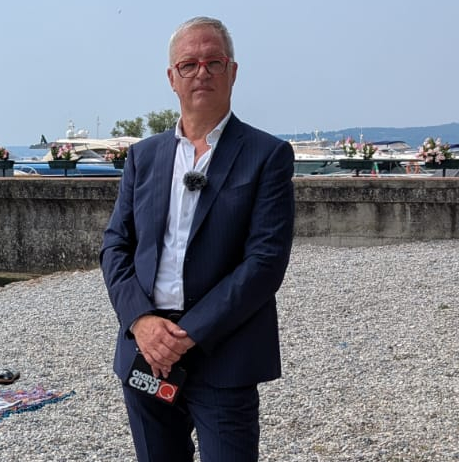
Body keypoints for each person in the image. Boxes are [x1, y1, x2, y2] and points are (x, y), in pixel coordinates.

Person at [100, 17, 295, 461]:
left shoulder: (267, 156)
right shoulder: (144, 157)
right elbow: (115, 246)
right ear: (172, 77)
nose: (201, 72)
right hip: (147, 351)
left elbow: (264, 262)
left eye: (213, 62)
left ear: (232, 71)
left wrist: (188, 334)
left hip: (224, 351)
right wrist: (141, 322)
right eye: (189, 64)